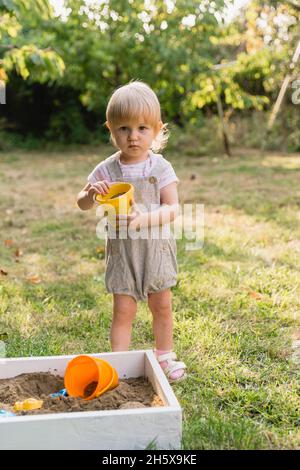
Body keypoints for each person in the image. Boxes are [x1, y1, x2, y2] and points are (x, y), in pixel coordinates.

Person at [77, 81, 186, 382]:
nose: (133, 136)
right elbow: (82, 203)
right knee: (123, 311)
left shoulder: (161, 168)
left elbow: (173, 209)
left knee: (161, 305)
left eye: (142, 128)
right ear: (110, 129)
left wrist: (144, 219)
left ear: (157, 129)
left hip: (156, 249)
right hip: (124, 253)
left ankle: (164, 357)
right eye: (123, 128)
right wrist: (91, 193)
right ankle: (119, 364)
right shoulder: (106, 170)